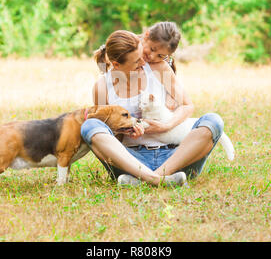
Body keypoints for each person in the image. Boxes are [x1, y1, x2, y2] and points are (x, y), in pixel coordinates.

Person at [80, 22, 224, 186]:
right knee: (90, 126)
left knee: (214, 121)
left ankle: (147, 179)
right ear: (116, 64)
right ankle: (158, 179)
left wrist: (165, 126)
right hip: (132, 160)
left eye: (142, 55)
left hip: (174, 156)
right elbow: (111, 137)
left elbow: (187, 105)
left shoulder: (158, 68)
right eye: (136, 61)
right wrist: (125, 128)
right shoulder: (102, 87)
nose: (144, 62)